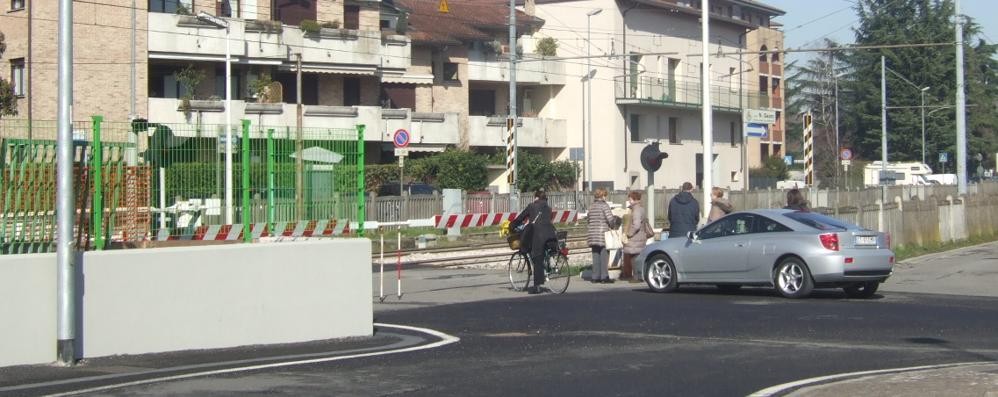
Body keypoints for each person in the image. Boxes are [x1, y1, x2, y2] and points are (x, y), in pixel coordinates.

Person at [512, 190, 558, 294]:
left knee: (536, 256)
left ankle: (537, 287)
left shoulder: (532, 206)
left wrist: (512, 225)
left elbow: (521, 217)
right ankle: (549, 265)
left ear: (536, 197)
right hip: (551, 235)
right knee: (544, 253)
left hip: (539, 236)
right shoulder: (549, 208)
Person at [585, 188, 615, 284]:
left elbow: (588, 220)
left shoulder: (591, 206)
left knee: (595, 255)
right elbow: (610, 220)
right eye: (605, 195)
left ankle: (595, 277)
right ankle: (604, 276)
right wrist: (614, 223)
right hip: (602, 235)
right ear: (602, 196)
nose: (606, 197)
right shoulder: (604, 206)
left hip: (592, 234)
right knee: (604, 256)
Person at [621, 191, 651, 282]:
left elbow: (636, 225)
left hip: (635, 237)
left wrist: (629, 233)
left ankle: (636, 277)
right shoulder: (641, 208)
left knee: (634, 257)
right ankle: (640, 276)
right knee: (637, 256)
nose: (629, 201)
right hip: (640, 236)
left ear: (633, 199)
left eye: (630, 199)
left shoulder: (636, 210)